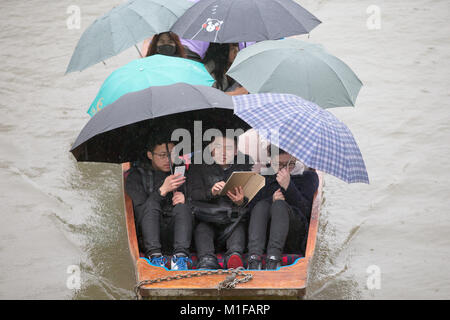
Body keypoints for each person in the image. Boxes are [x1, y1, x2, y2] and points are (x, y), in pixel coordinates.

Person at [125, 134, 193, 270]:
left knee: (183, 207)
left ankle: (180, 259)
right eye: (162, 155)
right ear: (150, 155)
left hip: (179, 234)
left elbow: (196, 203)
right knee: (151, 205)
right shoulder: (136, 176)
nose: (168, 160)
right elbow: (139, 212)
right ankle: (155, 258)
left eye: (172, 155)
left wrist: (185, 199)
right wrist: (162, 191)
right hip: (149, 234)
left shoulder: (181, 173)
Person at [246, 146, 319, 270]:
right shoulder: (263, 177)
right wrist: (271, 199)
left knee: (279, 206)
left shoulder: (308, 176)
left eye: (290, 164)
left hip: (293, 233)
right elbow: (250, 211)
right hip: (265, 234)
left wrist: (288, 186)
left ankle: (274, 260)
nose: (285, 169)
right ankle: (254, 258)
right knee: (262, 205)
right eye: (280, 164)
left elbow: (306, 211)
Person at [187, 135, 253, 269]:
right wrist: (211, 192)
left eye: (228, 148)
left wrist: (241, 201)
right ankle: (207, 259)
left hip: (233, 219)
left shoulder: (244, 164)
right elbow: (191, 195)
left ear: (236, 151)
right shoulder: (198, 165)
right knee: (202, 229)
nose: (223, 153)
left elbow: (252, 199)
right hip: (207, 217)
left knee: (238, 229)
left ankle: (234, 257)